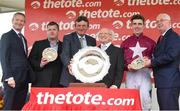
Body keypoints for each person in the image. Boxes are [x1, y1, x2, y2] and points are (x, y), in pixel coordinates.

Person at [144, 13, 180, 110]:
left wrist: (151, 62)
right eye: (157, 21)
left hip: (169, 81)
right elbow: (160, 56)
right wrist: (149, 60)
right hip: (164, 82)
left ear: (169, 22)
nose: (159, 23)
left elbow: (171, 55)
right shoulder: (162, 37)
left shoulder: (173, 36)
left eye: (162, 20)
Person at [121, 14, 156, 110]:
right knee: (131, 99)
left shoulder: (151, 42)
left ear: (144, 25)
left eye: (139, 24)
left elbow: (156, 60)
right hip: (130, 74)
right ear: (131, 25)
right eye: (135, 24)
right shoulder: (125, 43)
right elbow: (120, 62)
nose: (137, 26)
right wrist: (127, 67)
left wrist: (149, 62)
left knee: (146, 99)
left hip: (145, 74)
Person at [0, 12, 33, 110]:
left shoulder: (23, 38)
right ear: (12, 21)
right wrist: (9, 77)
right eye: (17, 20)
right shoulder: (6, 36)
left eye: (22, 21)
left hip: (23, 79)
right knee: (9, 106)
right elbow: (4, 58)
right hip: (12, 79)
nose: (19, 22)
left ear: (24, 23)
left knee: (19, 106)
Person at [60, 16, 96, 87]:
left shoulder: (92, 40)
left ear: (87, 27)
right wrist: (69, 66)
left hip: (87, 76)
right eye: (79, 25)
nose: (81, 28)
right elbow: (65, 54)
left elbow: (93, 56)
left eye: (84, 26)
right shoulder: (68, 38)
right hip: (71, 75)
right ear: (75, 26)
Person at [29, 21, 63, 87]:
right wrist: (41, 64)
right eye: (49, 29)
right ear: (47, 31)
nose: (52, 31)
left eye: (54, 29)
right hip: (40, 82)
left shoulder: (64, 45)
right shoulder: (38, 44)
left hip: (58, 83)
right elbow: (31, 60)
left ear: (58, 31)